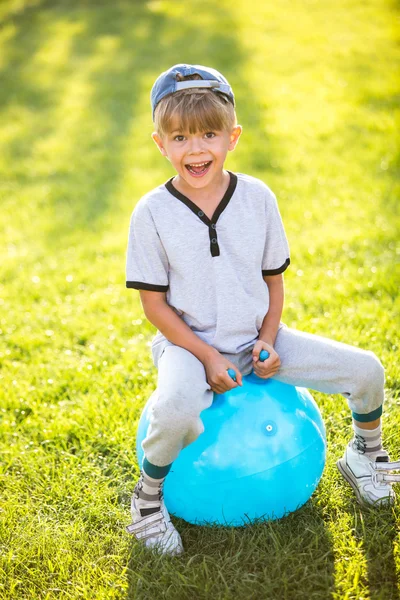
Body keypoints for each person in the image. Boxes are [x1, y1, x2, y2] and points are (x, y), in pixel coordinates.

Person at [125, 64, 397, 556]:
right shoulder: (151, 213)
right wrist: (207, 357)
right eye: (181, 137)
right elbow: (153, 305)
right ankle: (146, 503)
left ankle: (366, 453)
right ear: (160, 144)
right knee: (174, 407)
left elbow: (275, 282)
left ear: (233, 136)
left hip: (257, 338)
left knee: (367, 371)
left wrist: (269, 339)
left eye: (209, 133)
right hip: (187, 347)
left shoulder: (257, 198)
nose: (196, 148)